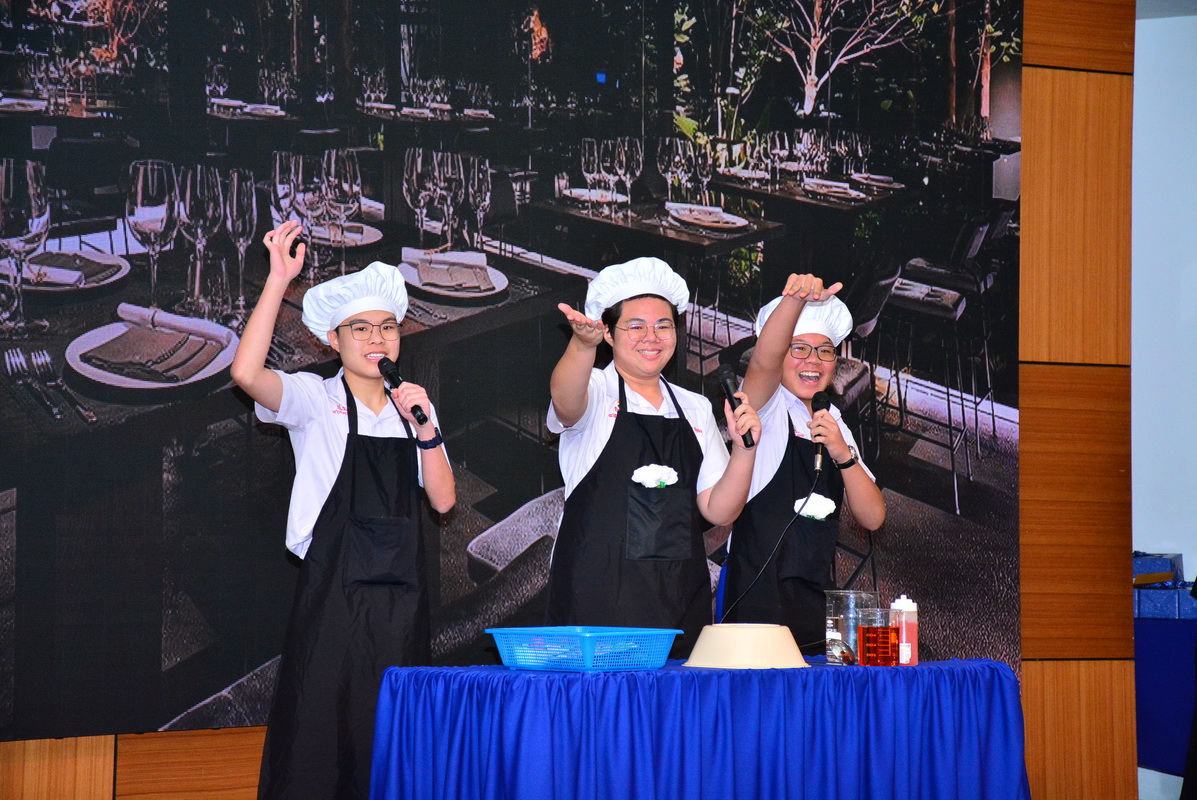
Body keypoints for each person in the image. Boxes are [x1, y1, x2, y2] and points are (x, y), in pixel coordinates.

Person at [231, 220, 455, 800]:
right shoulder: (315, 398)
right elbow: (246, 374)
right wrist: (278, 280)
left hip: (400, 607)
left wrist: (426, 432)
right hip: (330, 598)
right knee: (319, 746)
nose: (377, 338)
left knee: (392, 747)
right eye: (360, 328)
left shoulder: (415, 409)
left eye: (387, 326)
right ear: (333, 339)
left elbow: (444, 500)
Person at [546, 256, 761, 656]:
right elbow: (565, 399)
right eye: (635, 326)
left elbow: (718, 510)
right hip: (595, 601)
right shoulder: (596, 390)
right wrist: (581, 345)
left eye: (663, 325)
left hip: (678, 601)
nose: (652, 337)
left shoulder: (695, 407)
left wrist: (744, 451)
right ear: (608, 334)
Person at [720, 274, 886, 655]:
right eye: (798, 349)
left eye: (824, 351)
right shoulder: (767, 405)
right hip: (754, 599)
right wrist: (794, 299)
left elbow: (873, 517)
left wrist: (844, 456)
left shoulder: (833, 419)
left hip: (814, 598)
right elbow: (763, 362)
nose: (812, 361)